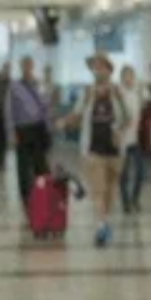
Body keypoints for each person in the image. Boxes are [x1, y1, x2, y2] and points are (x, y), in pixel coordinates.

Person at [57, 52, 131, 247]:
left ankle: (104, 220)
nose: (97, 70)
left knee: (110, 191)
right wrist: (64, 121)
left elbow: (128, 118)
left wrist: (120, 132)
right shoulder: (87, 92)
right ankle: (101, 225)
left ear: (109, 69)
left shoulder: (117, 92)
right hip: (92, 149)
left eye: (101, 66)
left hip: (115, 151)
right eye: (94, 67)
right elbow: (77, 114)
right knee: (98, 190)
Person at [5, 57, 53, 212]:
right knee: (24, 167)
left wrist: (48, 127)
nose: (27, 67)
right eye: (24, 64)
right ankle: (27, 199)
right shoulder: (14, 86)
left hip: (38, 129)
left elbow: (45, 105)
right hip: (22, 129)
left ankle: (43, 195)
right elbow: (9, 111)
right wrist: (11, 132)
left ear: (32, 66)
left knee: (42, 166)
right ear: (21, 66)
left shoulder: (39, 84)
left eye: (30, 64)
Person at [118, 65, 145, 214]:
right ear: (121, 78)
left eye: (131, 75)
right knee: (124, 174)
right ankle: (126, 202)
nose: (128, 78)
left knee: (141, 173)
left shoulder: (137, 92)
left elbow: (143, 108)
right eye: (125, 75)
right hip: (122, 141)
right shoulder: (118, 93)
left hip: (136, 139)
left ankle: (135, 199)